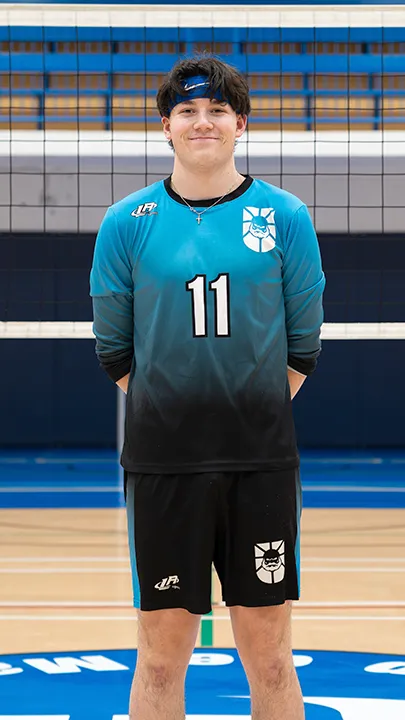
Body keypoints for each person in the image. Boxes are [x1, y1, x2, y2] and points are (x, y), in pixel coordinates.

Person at [90, 55, 325, 720]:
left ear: (239, 124)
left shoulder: (284, 216)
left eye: (217, 110)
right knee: (161, 657)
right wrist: (178, 411)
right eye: (188, 111)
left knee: (270, 653)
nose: (202, 122)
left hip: (261, 465)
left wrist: (243, 411)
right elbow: (114, 348)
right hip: (164, 465)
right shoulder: (124, 223)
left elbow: (302, 344)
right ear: (165, 125)